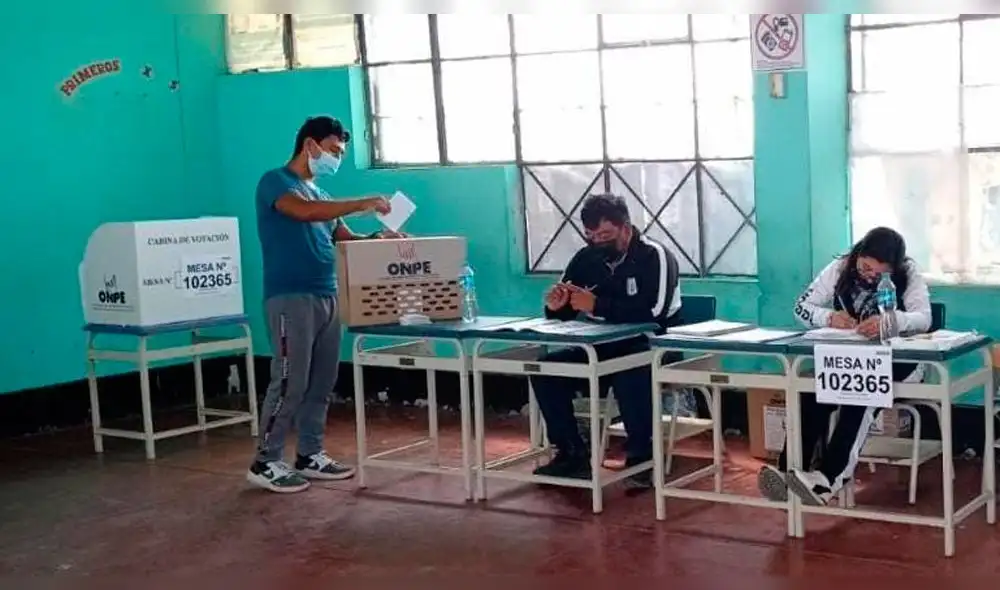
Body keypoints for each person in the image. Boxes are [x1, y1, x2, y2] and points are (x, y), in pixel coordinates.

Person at [246, 116, 399, 494]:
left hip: (328, 295)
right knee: (289, 381)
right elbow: (301, 212)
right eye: (333, 151)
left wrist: (380, 237)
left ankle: (310, 453)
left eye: (341, 153)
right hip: (289, 296)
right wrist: (362, 202)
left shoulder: (323, 196)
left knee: (321, 381)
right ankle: (266, 460)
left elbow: (344, 239)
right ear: (310, 145)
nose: (336, 159)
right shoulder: (276, 183)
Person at [758, 226, 931, 506]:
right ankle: (788, 471)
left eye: (879, 273)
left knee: (860, 396)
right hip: (848, 361)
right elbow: (802, 307)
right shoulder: (840, 267)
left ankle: (828, 480)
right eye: (865, 268)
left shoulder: (909, 272)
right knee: (811, 393)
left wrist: (892, 322)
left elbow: (923, 318)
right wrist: (828, 318)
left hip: (901, 362)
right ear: (858, 254)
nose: (870, 276)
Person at [531, 193, 682, 489]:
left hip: (652, 344)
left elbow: (656, 312)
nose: (598, 242)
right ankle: (572, 453)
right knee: (547, 369)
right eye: (590, 236)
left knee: (630, 371)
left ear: (625, 228)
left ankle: (642, 459)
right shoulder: (585, 258)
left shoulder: (655, 255)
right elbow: (565, 309)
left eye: (605, 235)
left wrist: (597, 305)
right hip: (600, 345)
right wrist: (556, 304)